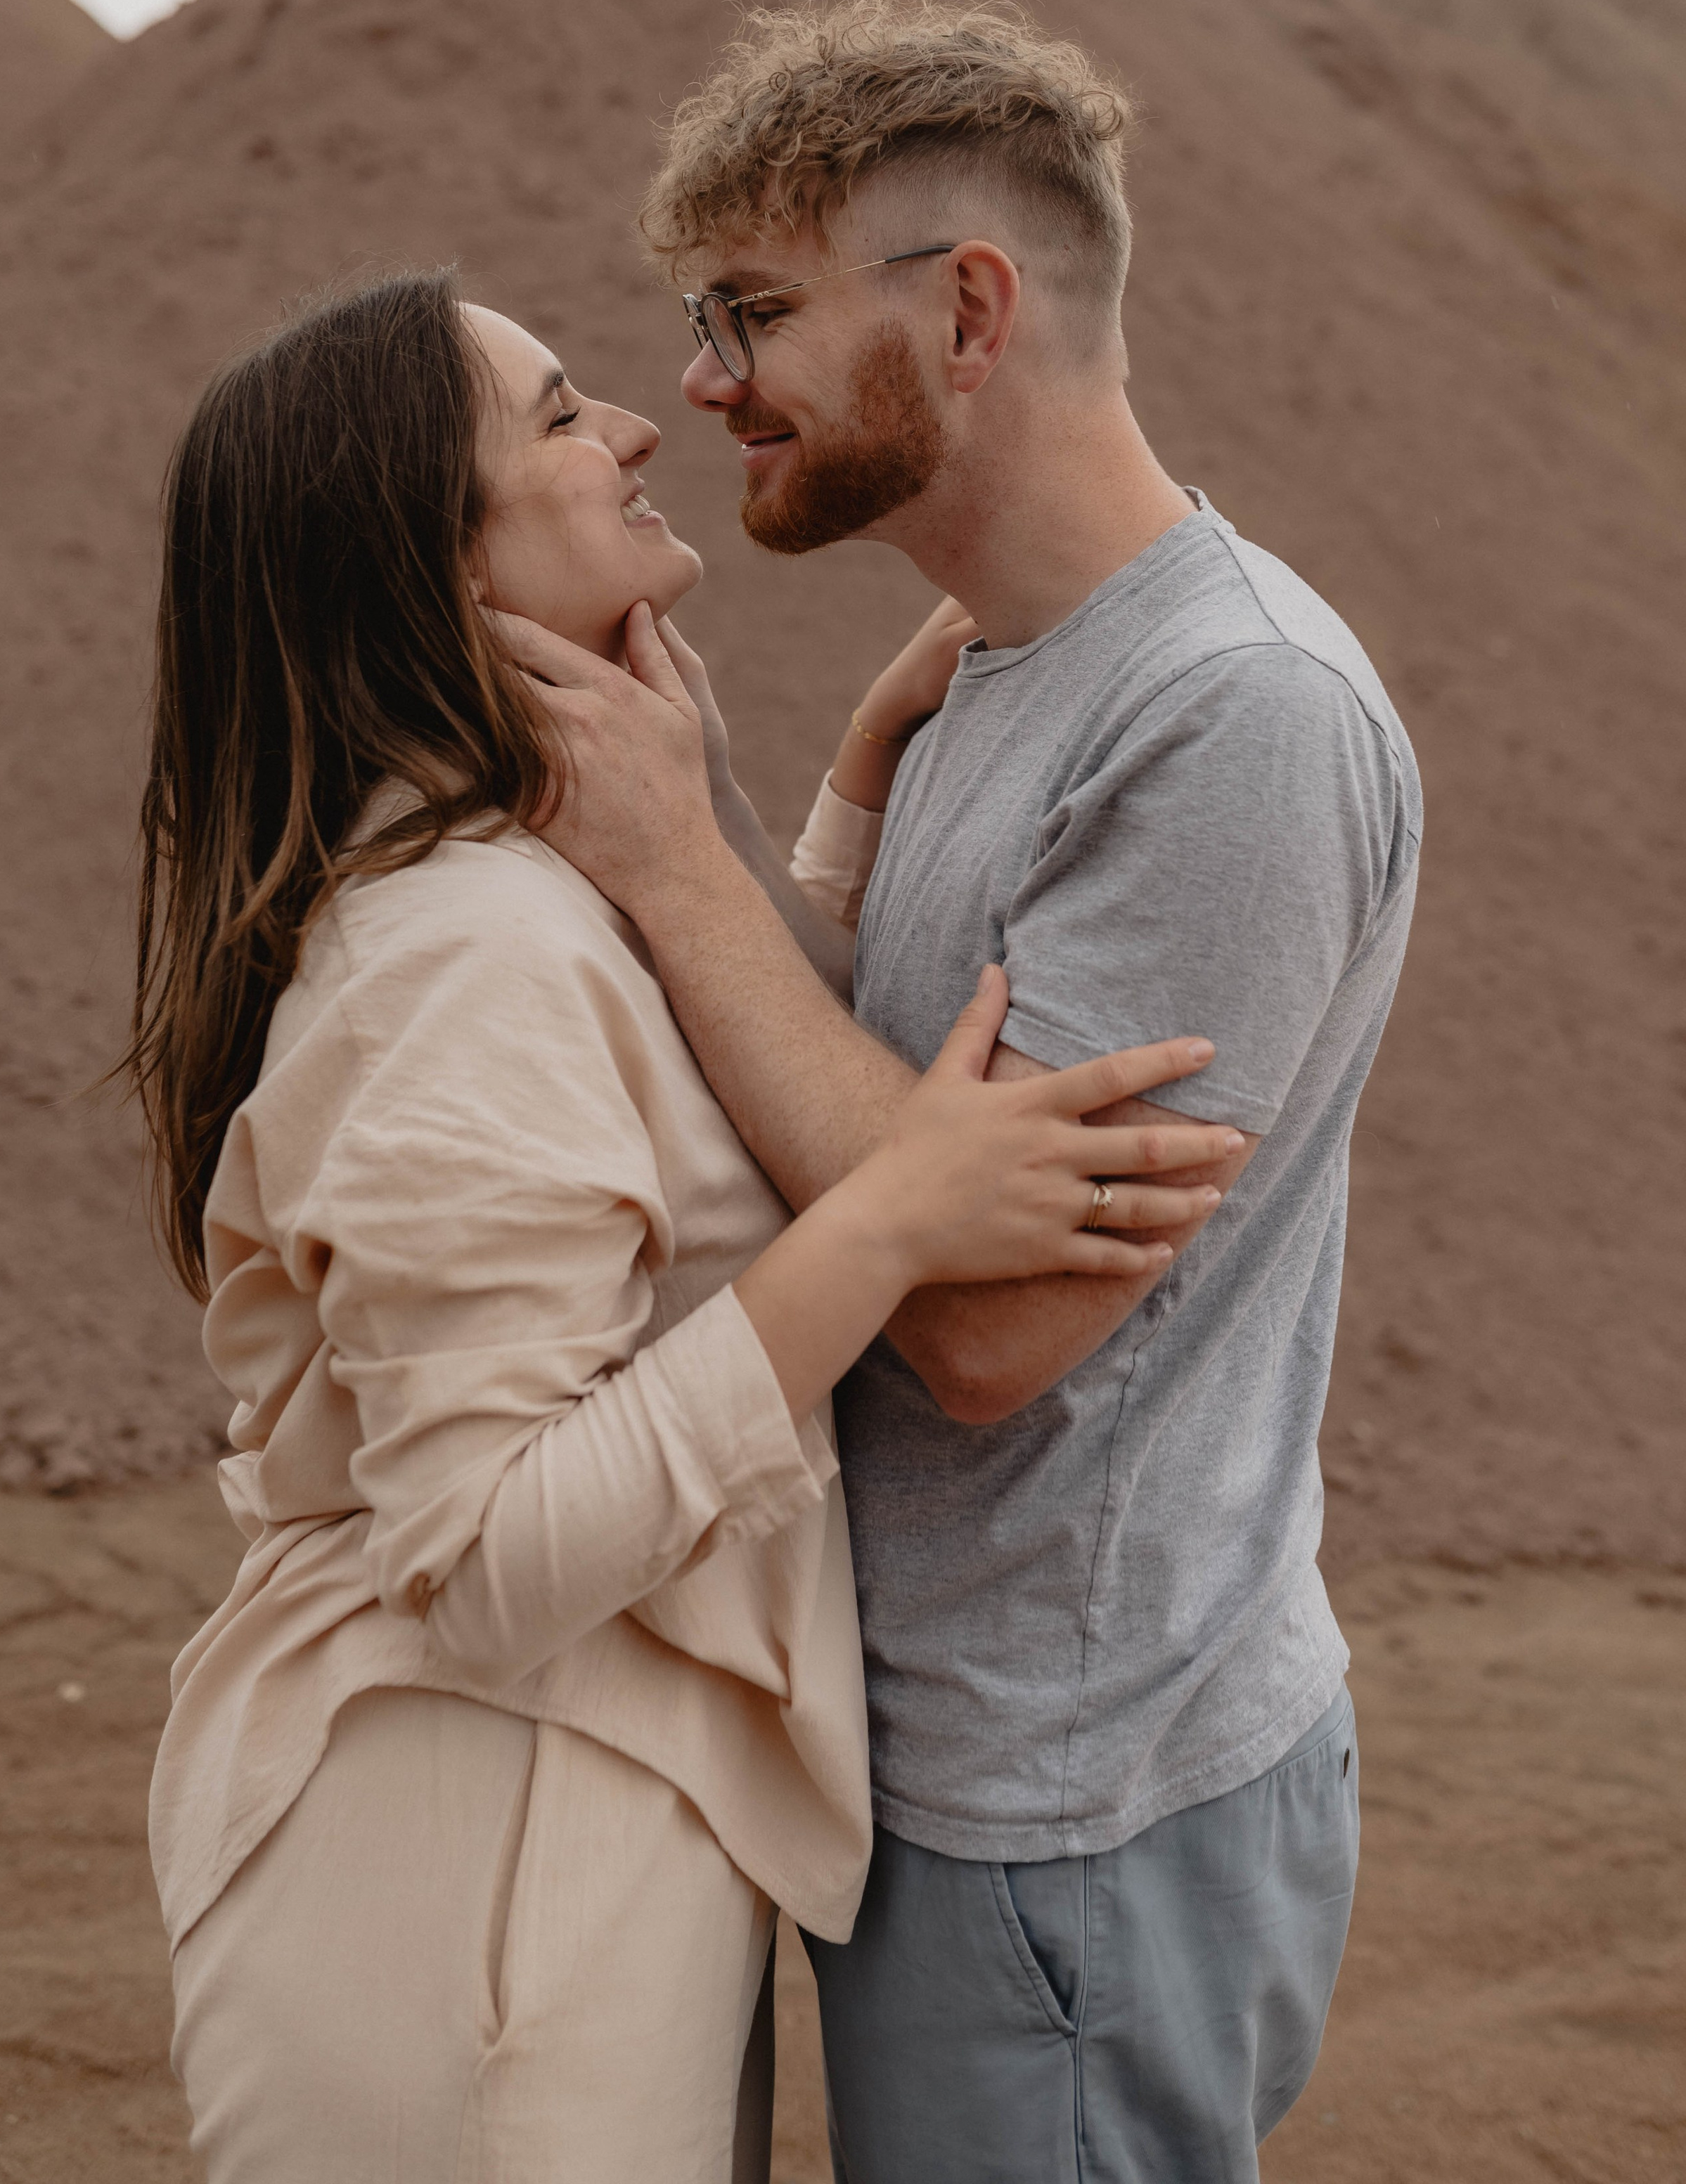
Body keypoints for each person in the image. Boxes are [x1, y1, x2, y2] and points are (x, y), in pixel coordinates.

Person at [124, 268, 1240, 2184]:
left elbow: (636, 1129)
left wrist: (808, 816)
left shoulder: (509, 884)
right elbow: (481, 1555)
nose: (639, 426)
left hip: (553, 1847)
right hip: (473, 1910)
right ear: (432, 563)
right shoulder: (458, 955)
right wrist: (890, 1221)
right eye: (559, 416)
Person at [502, 0, 1423, 2182]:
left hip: (1077, 1810)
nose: (700, 384)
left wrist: (673, 865)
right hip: (971, 1761)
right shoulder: (1014, 669)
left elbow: (989, 1321)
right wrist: (778, 812)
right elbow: (897, 1120)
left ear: (974, 310)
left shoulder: (1233, 724)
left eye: (749, 311)